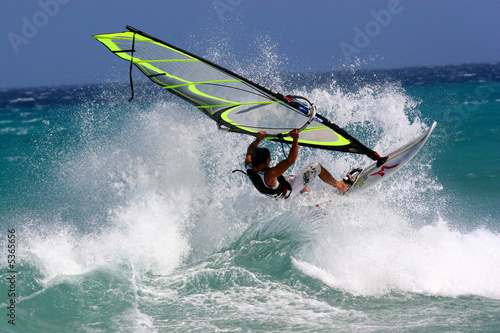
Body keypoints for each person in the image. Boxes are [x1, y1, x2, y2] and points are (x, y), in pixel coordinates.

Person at [244, 129, 351, 199]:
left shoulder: (249, 165)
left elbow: (251, 149)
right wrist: (295, 139)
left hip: (278, 189)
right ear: (263, 163)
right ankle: (341, 186)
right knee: (316, 167)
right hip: (288, 190)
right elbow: (291, 160)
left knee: (300, 179)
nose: (271, 160)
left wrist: (258, 139)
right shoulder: (270, 174)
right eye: (268, 159)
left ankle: (317, 201)